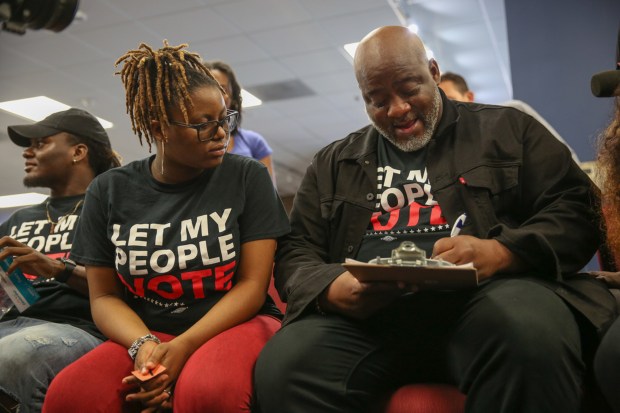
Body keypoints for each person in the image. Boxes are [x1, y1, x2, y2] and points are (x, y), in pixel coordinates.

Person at [254, 26, 616, 413]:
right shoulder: (331, 164)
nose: (396, 109)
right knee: (286, 366)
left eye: (410, 89)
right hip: (372, 324)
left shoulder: (507, 130)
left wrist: (503, 252)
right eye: (377, 100)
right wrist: (331, 286)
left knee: (528, 330)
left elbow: (577, 208)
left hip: (491, 300)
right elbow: (296, 251)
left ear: (434, 71)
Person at [42, 40, 290, 413]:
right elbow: (104, 297)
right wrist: (144, 346)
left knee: (208, 392)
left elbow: (253, 286)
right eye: (202, 126)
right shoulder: (109, 190)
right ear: (159, 128)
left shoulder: (246, 176)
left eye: (224, 119)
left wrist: (183, 347)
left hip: (237, 322)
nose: (222, 134)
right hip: (147, 330)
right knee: (71, 396)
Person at [0, 107, 121, 413]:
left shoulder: (114, 209)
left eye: (41, 143)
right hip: (11, 322)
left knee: (14, 356)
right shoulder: (21, 218)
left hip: (77, 328)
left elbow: (129, 288)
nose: (29, 152)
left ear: (78, 152)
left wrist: (56, 268)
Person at [439, 71, 581, 163]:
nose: (447, 108)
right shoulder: (448, 147)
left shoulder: (513, 112)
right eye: (441, 104)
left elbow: (564, 157)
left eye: (451, 100)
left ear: (469, 96)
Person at [204, 60, 276, 183]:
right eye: (211, 88)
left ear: (232, 95)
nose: (219, 95)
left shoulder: (254, 142)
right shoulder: (193, 143)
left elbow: (270, 192)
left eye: (223, 89)